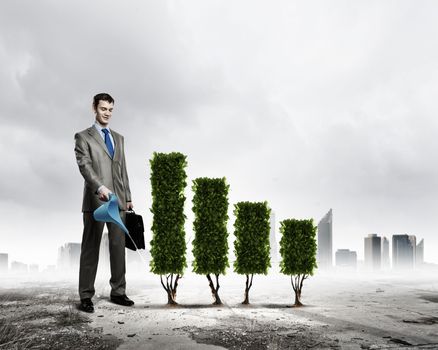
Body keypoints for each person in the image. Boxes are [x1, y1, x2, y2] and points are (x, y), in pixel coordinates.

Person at [74, 93, 134, 313]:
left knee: (118, 248)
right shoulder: (83, 137)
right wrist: (100, 187)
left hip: (118, 200)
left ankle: (118, 292)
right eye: (103, 109)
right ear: (94, 108)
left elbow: (122, 170)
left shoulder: (119, 138)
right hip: (96, 200)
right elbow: (85, 167)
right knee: (91, 248)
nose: (107, 113)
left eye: (110, 110)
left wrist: (127, 197)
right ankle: (86, 295)